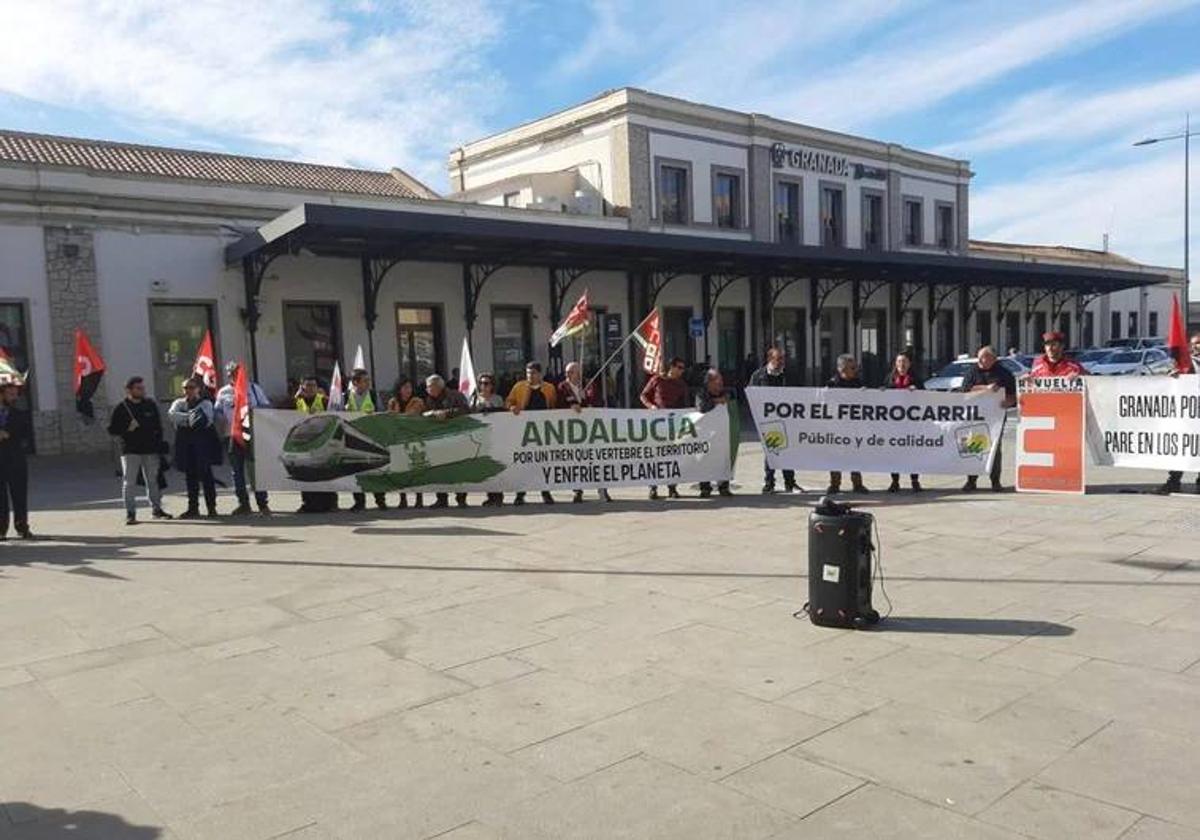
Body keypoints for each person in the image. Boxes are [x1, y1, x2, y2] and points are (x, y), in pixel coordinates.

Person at [107, 376, 172, 524]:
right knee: (129, 482)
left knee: (153, 481)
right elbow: (112, 430)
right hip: (130, 451)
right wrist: (127, 428)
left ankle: (157, 509)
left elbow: (158, 426)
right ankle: (130, 513)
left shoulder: (150, 405)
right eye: (138, 388)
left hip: (150, 450)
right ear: (129, 390)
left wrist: (159, 445)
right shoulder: (122, 407)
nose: (142, 391)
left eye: (143, 388)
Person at [213, 361, 271, 516]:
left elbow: (266, 407)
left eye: (237, 372)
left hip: (251, 435)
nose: (233, 375)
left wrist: (252, 410)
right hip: (232, 436)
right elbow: (218, 411)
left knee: (255, 471)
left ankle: (262, 503)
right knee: (236, 472)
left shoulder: (253, 388)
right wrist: (220, 420)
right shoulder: (223, 392)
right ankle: (243, 504)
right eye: (231, 373)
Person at [959, 345, 1016, 492]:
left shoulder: (1004, 373)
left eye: (983, 358)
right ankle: (971, 480)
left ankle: (995, 481)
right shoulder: (972, 371)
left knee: (995, 448)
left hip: (995, 416)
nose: (980, 360)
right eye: (979, 358)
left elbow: (1013, 394)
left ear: (993, 359)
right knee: (972, 447)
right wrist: (985, 389)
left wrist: (1009, 401)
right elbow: (964, 391)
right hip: (975, 416)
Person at [558, 361, 611, 503]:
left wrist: (585, 399)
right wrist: (572, 404)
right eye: (567, 372)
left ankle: (602, 490)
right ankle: (577, 490)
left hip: (590, 429)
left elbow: (597, 402)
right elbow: (560, 403)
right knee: (576, 461)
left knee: (595, 460)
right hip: (573, 431)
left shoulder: (589, 385)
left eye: (572, 372)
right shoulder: (563, 387)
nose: (568, 375)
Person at [507, 361, 558, 505]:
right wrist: (512, 407)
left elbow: (554, 406)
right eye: (528, 373)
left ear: (540, 374)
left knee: (543, 462)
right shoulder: (519, 387)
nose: (530, 375)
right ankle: (520, 494)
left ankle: (545, 492)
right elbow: (509, 401)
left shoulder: (549, 388)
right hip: (524, 432)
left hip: (543, 432)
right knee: (523, 462)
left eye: (533, 373)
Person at [750, 346, 799, 493]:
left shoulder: (790, 375)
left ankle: (790, 482)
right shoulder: (758, 376)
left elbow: (798, 394)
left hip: (786, 418)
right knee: (771, 451)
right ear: (770, 359)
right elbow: (751, 395)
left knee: (787, 452)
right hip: (768, 420)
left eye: (783, 358)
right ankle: (769, 483)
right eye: (778, 359)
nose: (782, 361)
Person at [169, 376, 219, 519]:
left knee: (207, 477)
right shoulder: (178, 403)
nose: (188, 391)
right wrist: (190, 417)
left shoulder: (206, 403)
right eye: (185, 388)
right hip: (185, 445)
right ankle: (193, 508)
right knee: (190, 478)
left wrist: (186, 418)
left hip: (202, 445)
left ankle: (211, 508)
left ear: (198, 389)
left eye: (191, 387)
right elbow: (172, 415)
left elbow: (206, 419)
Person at [640, 356, 689, 499]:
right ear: (672, 367)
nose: (681, 371)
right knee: (655, 457)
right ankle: (653, 488)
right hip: (656, 425)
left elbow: (685, 404)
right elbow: (643, 396)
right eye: (679, 367)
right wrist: (651, 406)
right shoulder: (657, 380)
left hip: (673, 425)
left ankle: (672, 488)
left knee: (672, 457)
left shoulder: (681, 385)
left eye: (683, 368)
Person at [1157, 331, 1200, 494]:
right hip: (1186, 414)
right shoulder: (1184, 364)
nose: (1195, 346)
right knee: (1181, 446)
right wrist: (1172, 376)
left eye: (1199, 343)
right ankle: (1174, 480)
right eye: (1193, 343)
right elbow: (1167, 381)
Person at [424, 374, 470, 508]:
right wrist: (431, 414)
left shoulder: (456, 395)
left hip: (457, 436)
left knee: (458, 469)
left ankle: (461, 499)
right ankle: (441, 499)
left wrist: (446, 413)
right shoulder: (429, 399)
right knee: (439, 469)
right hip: (438, 439)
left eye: (429, 387)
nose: (427, 389)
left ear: (438, 386)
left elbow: (465, 410)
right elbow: (425, 413)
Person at [344, 368, 387, 513]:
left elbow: (381, 413)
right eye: (365, 380)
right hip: (352, 439)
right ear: (355, 382)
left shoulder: (374, 395)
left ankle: (380, 500)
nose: (368, 383)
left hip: (371, 438)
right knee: (355, 471)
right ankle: (359, 502)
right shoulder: (345, 397)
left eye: (368, 380)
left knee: (375, 470)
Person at [827, 354, 869, 494]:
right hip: (837, 427)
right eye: (852, 367)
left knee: (855, 454)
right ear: (842, 368)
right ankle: (834, 484)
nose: (855, 369)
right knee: (835, 455)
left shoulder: (858, 383)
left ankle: (857, 484)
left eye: (855, 367)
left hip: (853, 427)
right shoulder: (832, 384)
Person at [295, 376, 337, 513]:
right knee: (305, 474)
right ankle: (308, 503)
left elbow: (336, 412)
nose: (311, 388)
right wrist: (294, 397)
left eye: (313, 385)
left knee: (324, 473)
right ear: (302, 387)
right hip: (304, 444)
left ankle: (330, 503)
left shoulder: (324, 401)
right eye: (308, 385)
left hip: (323, 442)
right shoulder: (297, 401)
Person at [885, 354, 923, 493]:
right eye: (899, 361)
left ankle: (915, 480)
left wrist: (916, 391)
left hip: (911, 423)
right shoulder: (890, 378)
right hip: (894, 424)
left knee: (912, 452)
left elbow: (925, 395)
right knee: (895, 453)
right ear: (895, 364)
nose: (902, 364)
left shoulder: (916, 379)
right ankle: (895, 481)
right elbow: (882, 394)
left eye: (904, 361)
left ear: (909, 364)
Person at [0, 379, 33, 540]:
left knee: (19, 495)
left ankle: (22, 527)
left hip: (16, 460)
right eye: (10, 394)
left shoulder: (20, 413)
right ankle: (1, 529)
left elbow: (27, 436)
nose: (14, 397)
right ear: (2, 395)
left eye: (15, 394)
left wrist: (9, 435)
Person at [388, 376, 426, 509]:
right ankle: (402, 498)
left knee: (415, 469)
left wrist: (400, 418)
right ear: (399, 389)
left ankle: (419, 498)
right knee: (400, 469)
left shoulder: (417, 401)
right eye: (405, 387)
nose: (408, 390)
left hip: (414, 437)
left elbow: (413, 416)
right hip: (398, 439)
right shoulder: (393, 402)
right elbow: (390, 417)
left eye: (409, 387)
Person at [470, 372, 507, 507]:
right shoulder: (474, 399)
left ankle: (498, 496)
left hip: (496, 436)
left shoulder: (497, 399)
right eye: (481, 383)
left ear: (492, 385)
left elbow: (503, 412)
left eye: (487, 383)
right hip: (481, 437)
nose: (484, 386)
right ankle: (490, 495)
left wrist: (491, 410)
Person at [696, 369, 733, 498]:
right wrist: (716, 401)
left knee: (723, 458)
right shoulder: (702, 393)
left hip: (722, 433)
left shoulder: (725, 392)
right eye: (718, 381)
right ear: (709, 383)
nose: (721, 384)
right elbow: (701, 408)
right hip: (706, 434)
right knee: (705, 459)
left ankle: (723, 486)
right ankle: (705, 487)